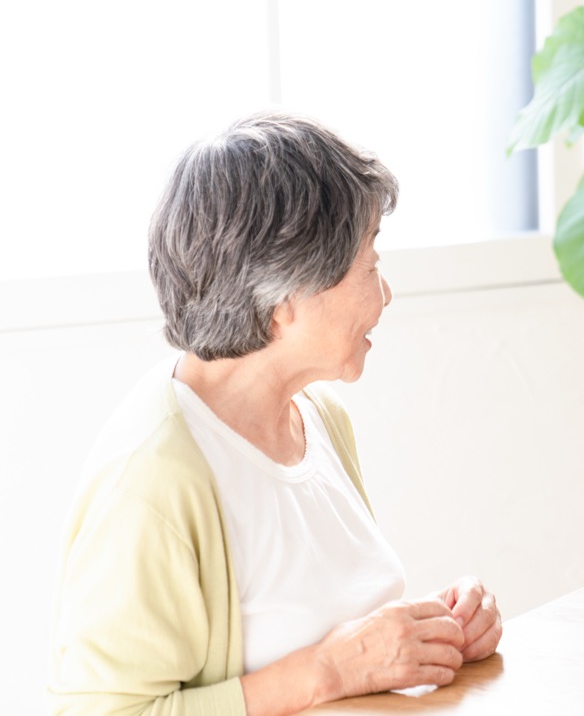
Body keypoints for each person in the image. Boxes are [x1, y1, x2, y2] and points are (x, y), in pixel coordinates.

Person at [48, 113, 502, 714]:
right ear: (285, 299)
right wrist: (326, 672)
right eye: (370, 265)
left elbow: (323, 632)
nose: (385, 294)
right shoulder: (151, 483)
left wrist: (432, 636)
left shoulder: (318, 418)